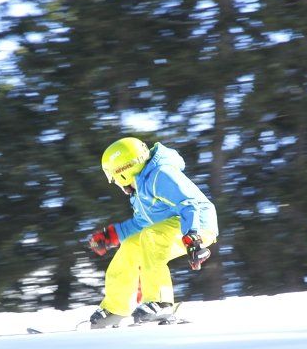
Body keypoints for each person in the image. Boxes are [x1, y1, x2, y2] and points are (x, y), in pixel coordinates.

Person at [87, 137, 218, 329]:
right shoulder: (140, 190)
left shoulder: (160, 175)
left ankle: (161, 302)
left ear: (123, 173)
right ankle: (116, 308)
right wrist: (114, 235)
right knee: (131, 246)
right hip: (170, 228)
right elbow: (142, 223)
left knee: (152, 237)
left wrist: (192, 236)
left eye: (115, 178)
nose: (117, 184)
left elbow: (189, 205)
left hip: (198, 225)